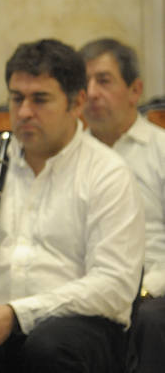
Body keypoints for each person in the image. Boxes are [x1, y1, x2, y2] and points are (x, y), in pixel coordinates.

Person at [0, 38, 144, 373]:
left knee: (49, 346)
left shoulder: (108, 172)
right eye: (17, 99)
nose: (25, 111)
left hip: (79, 328)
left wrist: (17, 314)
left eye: (40, 99)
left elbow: (114, 286)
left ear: (77, 102)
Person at [79, 37, 165, 373]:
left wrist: (146, 288)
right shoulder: (68, 157)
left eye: (104, 80)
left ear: (135, 90)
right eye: (84, 83)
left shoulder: (160, 150)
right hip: (87, 290)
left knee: (152, 319)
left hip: (153, 291)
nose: (92, 92)